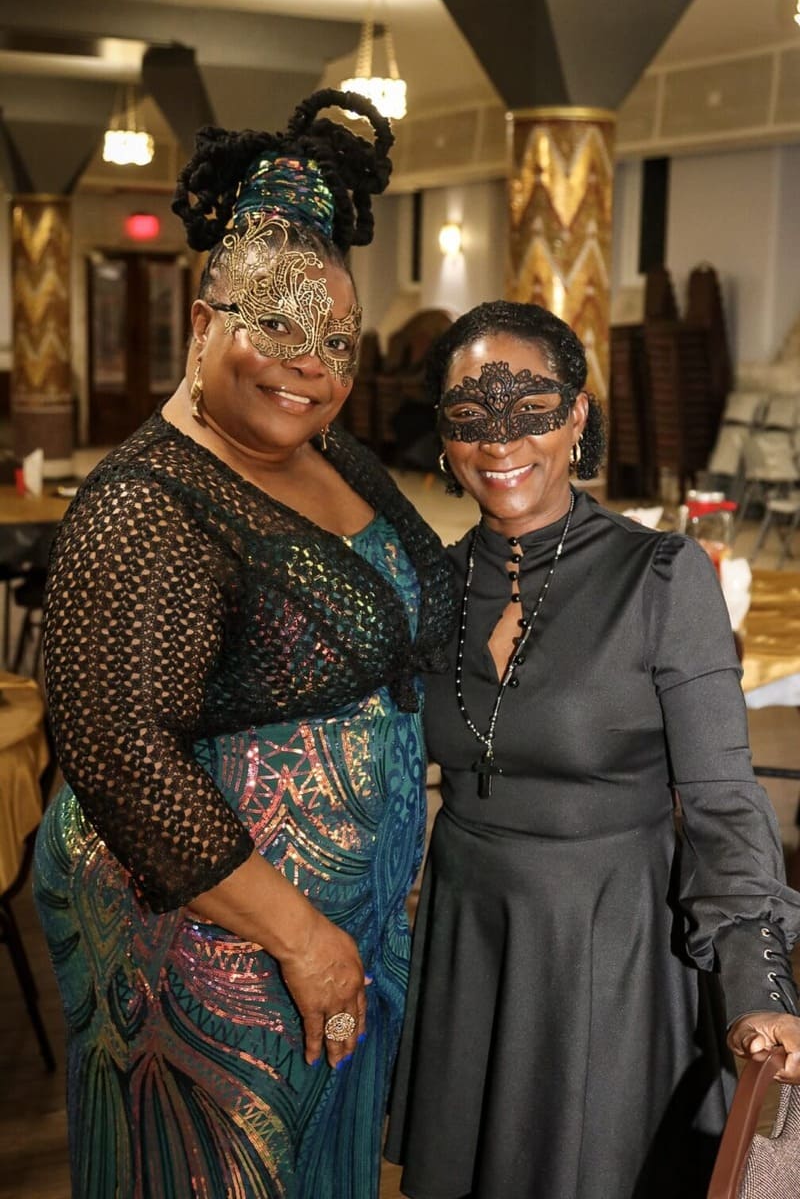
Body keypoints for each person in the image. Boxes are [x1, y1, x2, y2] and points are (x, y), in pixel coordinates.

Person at [33, 89, 455, 1199]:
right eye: (273, 323)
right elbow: (122, 755)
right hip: (215, 936)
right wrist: (302, 938)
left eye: (336, 342)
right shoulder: (146, 505)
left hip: (341, 913)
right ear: (201, 321)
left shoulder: (335, 455)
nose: (308, 365)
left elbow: (409, 606)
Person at [385, 300, 800, 1199]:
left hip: (609, 949)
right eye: (471, 416)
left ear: (577, 415)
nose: (501, 442)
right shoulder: (433, 585)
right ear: (443, 438)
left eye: (530, 409)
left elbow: (723, 798)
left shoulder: (660, 576)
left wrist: (759, 985)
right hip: (468, 944)